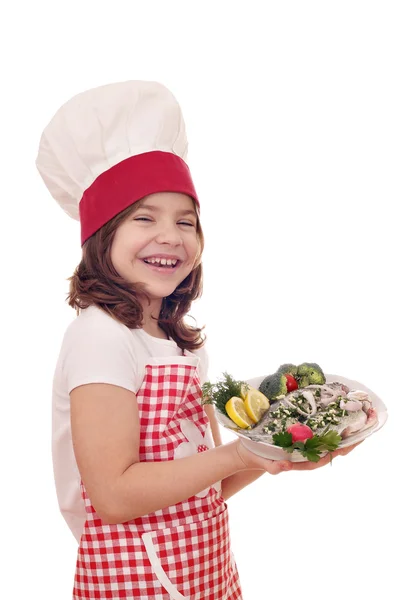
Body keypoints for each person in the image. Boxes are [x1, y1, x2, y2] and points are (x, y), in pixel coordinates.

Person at [36, 80, 358, 600]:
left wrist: (272, 453)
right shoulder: (100, 337)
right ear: (102, 237)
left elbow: (204, 487)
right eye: (145, 218)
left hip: (205, 574)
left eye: (186, 221)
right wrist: (237, 455)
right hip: (134, 582)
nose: (172, 235)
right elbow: (114, 496)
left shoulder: (180, 346)